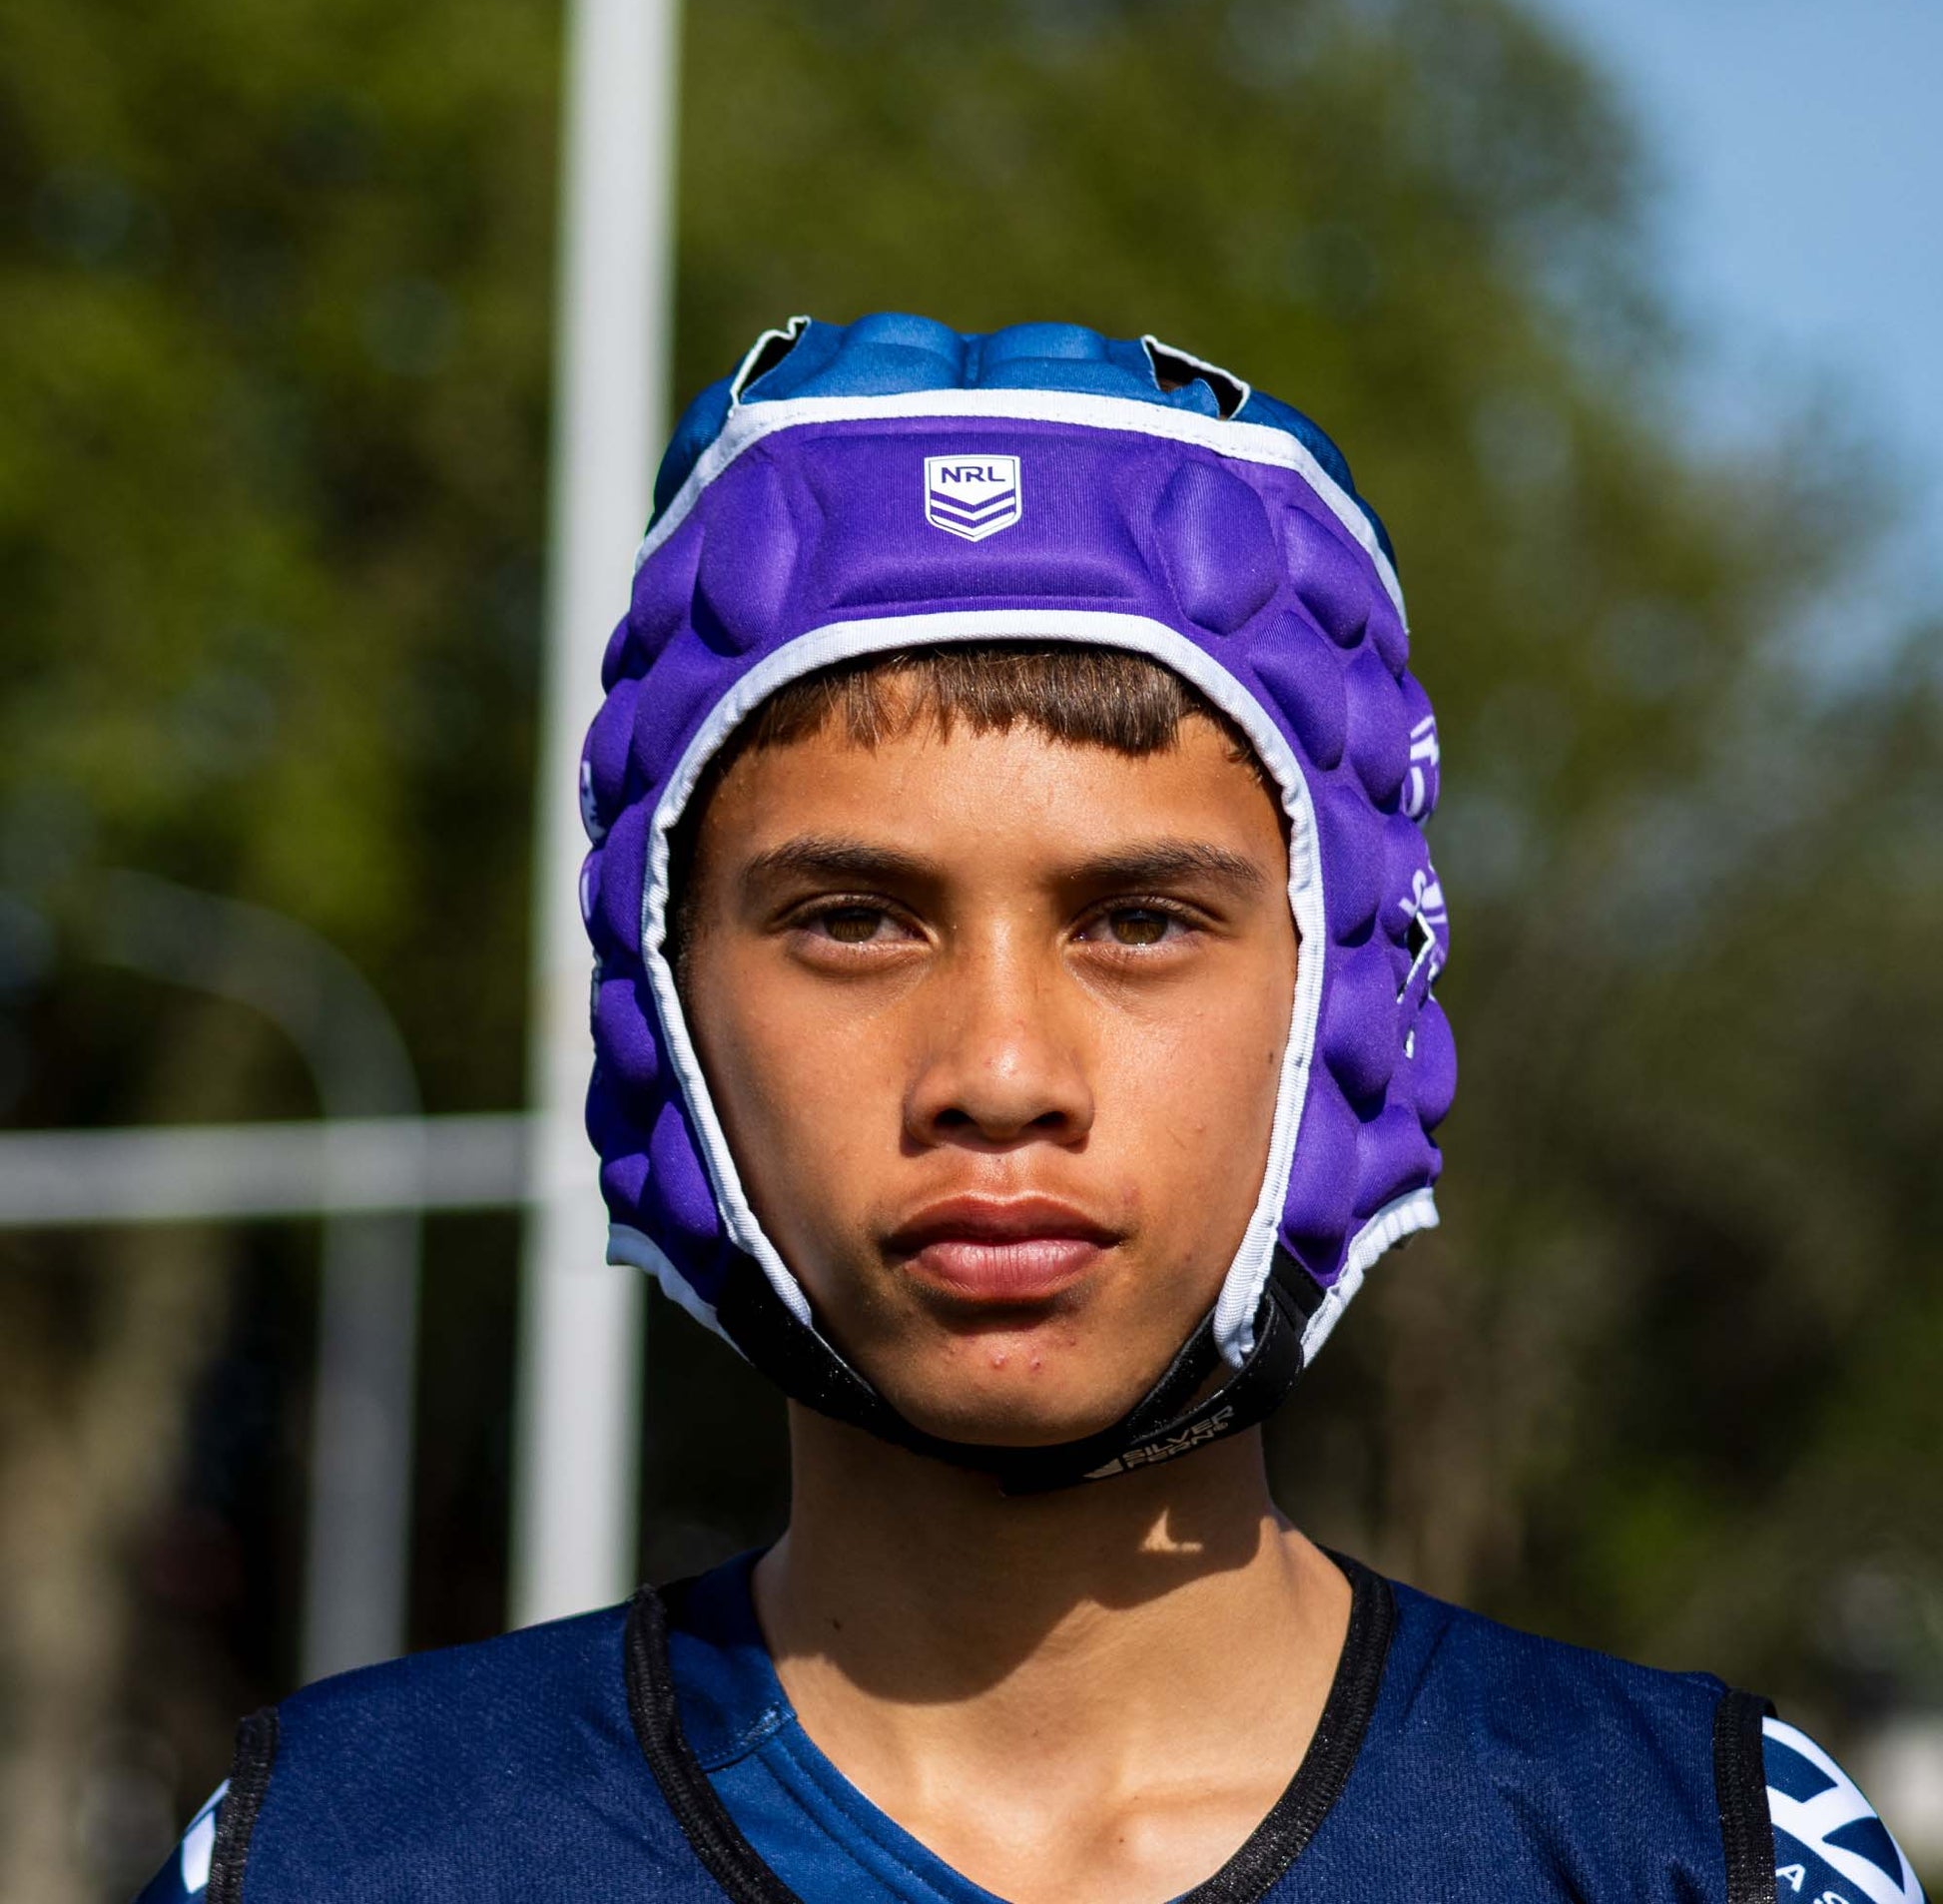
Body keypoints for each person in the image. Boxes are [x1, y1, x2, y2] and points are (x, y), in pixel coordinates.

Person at [138, 317, 1926, 1904]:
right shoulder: (332, 1855)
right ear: (665, 1003)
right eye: (852, 920)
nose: (998, 1074)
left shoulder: (1710, 1852)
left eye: (1138, 921)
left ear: (1347, 993)